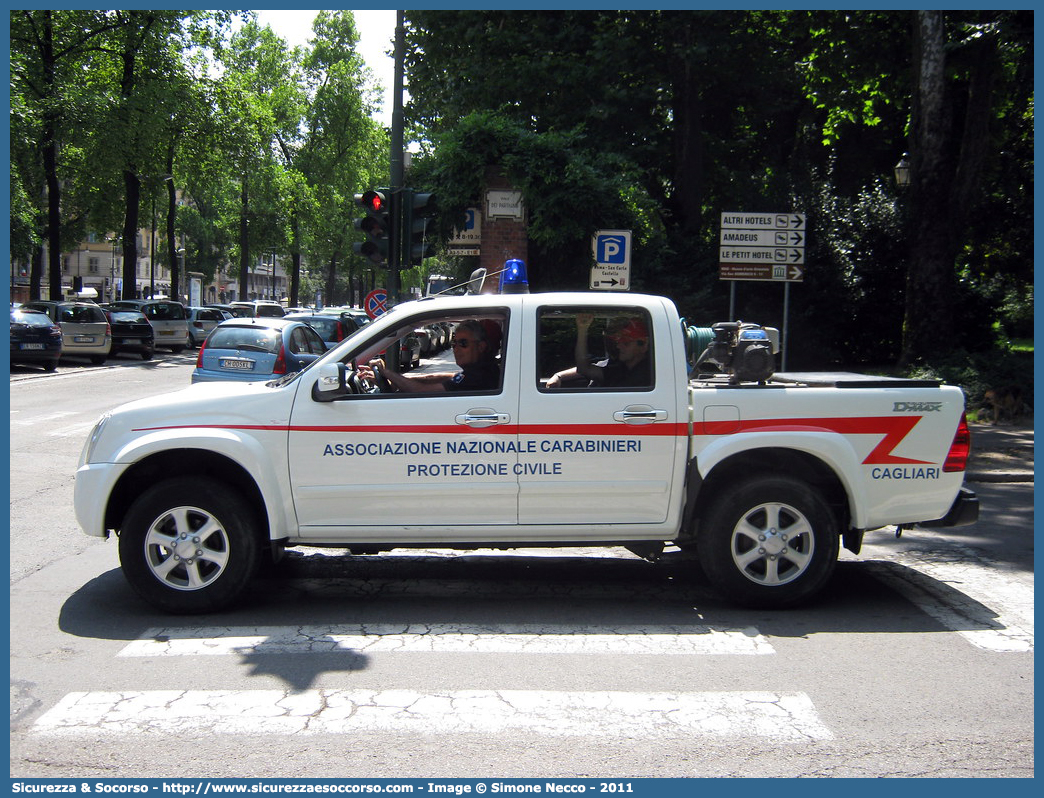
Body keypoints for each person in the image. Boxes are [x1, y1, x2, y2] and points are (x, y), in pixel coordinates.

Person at [364, 318, 501, 393]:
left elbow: (420, 390)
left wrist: (386, 372)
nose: (456, 349)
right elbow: (445, 377)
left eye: (463, 343)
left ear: (481, 346)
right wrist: (399, 379)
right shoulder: (480, 370)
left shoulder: (478, 376)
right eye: (454, 343)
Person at [564, 313, 651, 388]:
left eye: (626, 343)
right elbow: (584, 369)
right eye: (617, 341)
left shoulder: (649, 375)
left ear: (644, 346)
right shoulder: (620, 370)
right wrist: (582, 329)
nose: (618, 346)